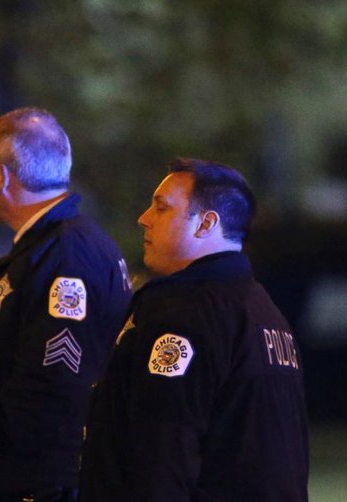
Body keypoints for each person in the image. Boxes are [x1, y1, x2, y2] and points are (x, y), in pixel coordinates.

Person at [0, 108, 132, 502]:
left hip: (37, 482)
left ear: (2, 179)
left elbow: (52, 379)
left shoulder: (64, 256)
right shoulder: (59, 247)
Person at [80, 159, 309, 501]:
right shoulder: (265, 311)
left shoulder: (183, 313)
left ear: (206, 223)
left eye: (161, 208)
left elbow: (163, 451)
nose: (144, 218)